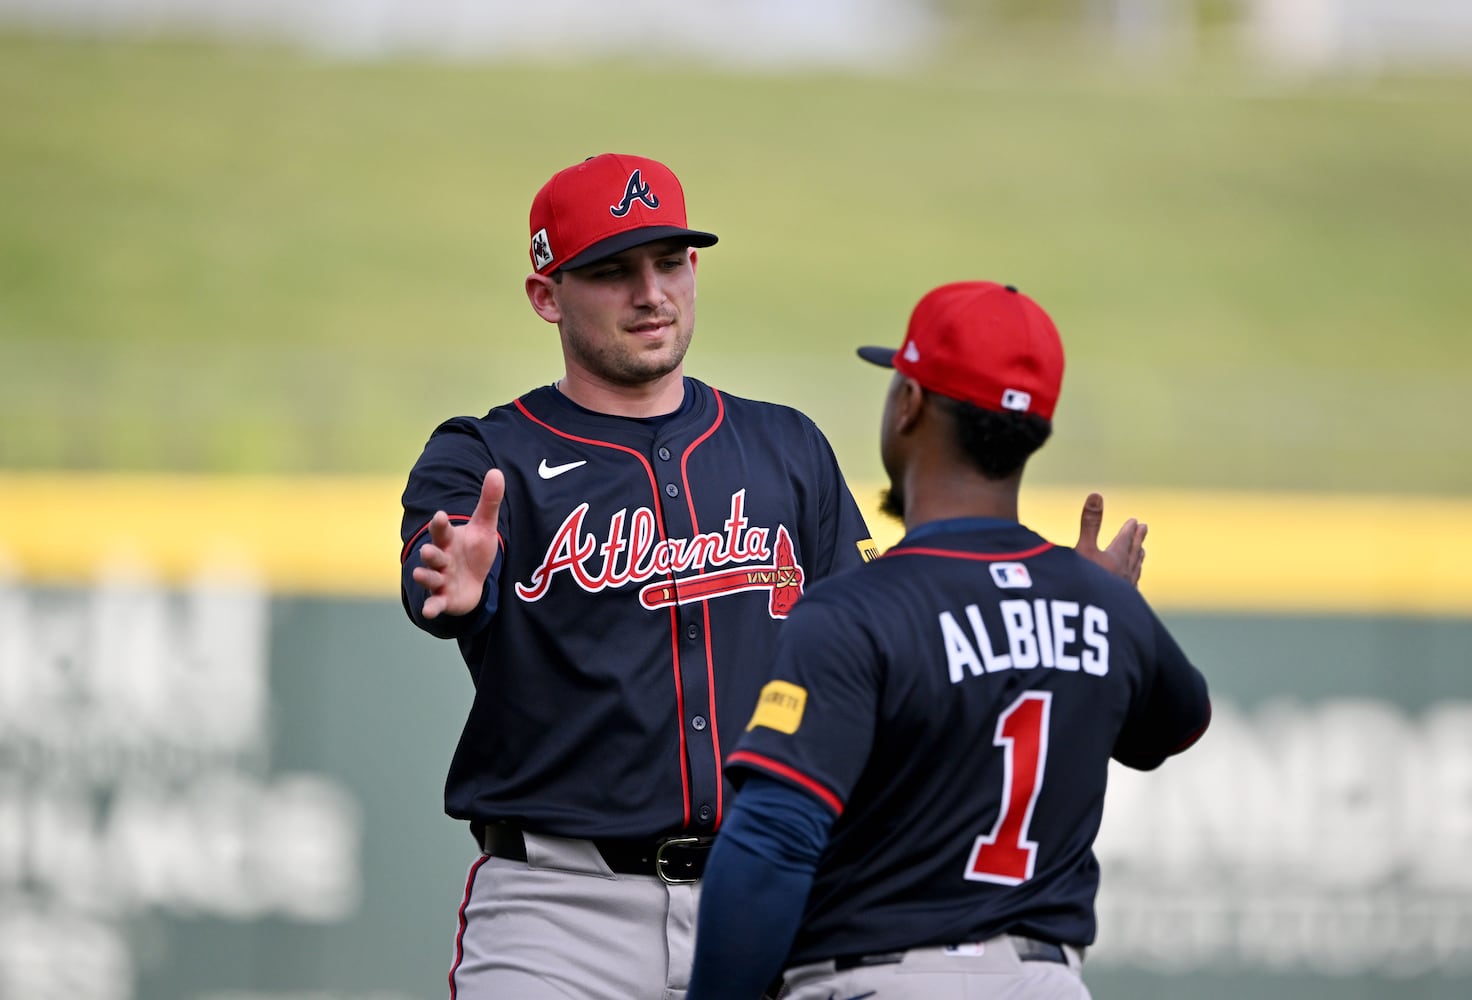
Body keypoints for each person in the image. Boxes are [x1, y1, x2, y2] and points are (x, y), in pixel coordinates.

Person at [399, 154, 1153, 1000]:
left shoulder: (786, 447)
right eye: (612, 271)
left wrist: (1070, 607)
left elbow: (901, 646)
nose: (651, 292)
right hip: (557, 909)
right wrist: (455, 588)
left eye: (670, 261)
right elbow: (439, 580)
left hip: (765, 899)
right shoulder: (486, 453)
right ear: (546, 295)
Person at [684, 281, 1213, 1000]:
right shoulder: (1103, 604)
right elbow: (1174, 729)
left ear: (910, 404)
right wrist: (1108, 604)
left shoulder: (854, 610)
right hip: (1047, 982)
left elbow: (772, 843)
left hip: (886, 979)